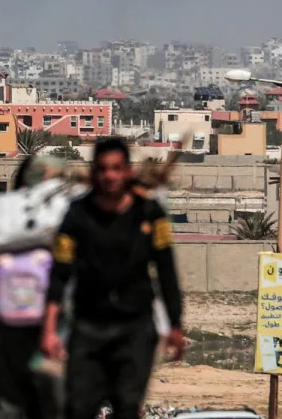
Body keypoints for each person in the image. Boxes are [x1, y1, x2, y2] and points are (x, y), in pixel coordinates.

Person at [40, 137, 185, 419]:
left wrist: (176, 324)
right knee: (79, 407)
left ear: (128, 171)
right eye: (103, 169)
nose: (110, 176)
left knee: (127, 406)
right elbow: (59, 273)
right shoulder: (76, 215)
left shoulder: (150, 213)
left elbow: (166, 272)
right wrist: (49, 329)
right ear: (94, 172)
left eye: (116, 168)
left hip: (135, 330)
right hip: (89, 329)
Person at [0, 155, 65, 419]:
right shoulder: (1, 223)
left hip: (52, 333)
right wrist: (3, 301)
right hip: (10, 333)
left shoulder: (66, 224)